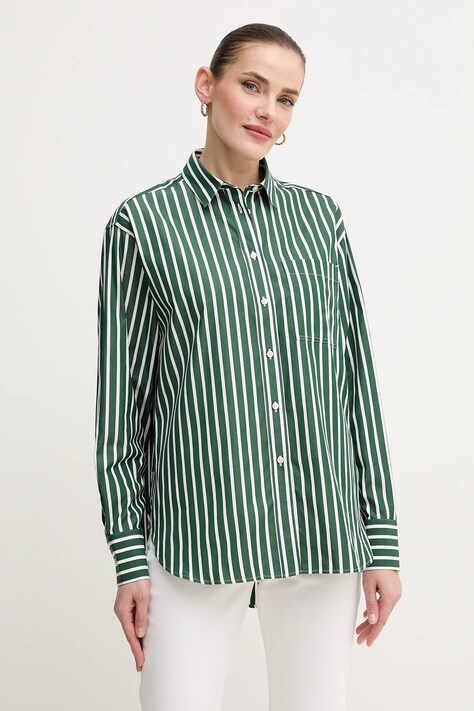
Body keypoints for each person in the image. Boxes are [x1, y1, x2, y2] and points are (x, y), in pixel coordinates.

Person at [94, 22, 402, 711]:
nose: (268, 111)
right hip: (198, 533)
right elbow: (122, 405)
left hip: (320, 528)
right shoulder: (143, 224)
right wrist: (129, 557)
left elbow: (356, 380)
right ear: (207, 85)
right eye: (252, 86)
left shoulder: (319, 221)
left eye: (286, 99)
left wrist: (380, 537)